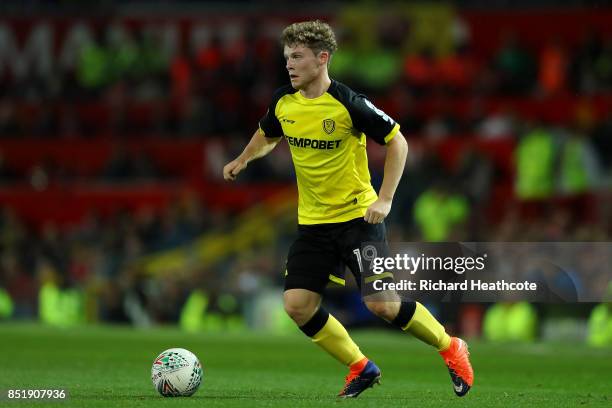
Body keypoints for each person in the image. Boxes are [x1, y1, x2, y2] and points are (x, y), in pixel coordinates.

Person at [223, 20, 473, 398]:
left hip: (358, 219)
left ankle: (450, 347)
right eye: (287, 57)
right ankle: (361, 366)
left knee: (383, 306)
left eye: (297, 57)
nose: (289, 65)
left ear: (322, 59)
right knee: (297, 305)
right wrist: (244, 158)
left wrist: (385, 198)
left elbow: (397, 141)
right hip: (313, 224)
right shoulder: (283, 101)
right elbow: (268, 133)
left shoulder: (347, 103)